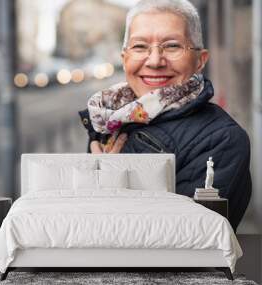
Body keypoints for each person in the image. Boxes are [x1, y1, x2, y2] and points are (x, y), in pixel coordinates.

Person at [78, 0, 251, 232]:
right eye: (140, 47)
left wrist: (109, 185)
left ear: (200, 60)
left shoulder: (222, 140)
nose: (155, 61)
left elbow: (189, 239)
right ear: (125, 58)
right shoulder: (109, 121)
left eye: (172, 46)